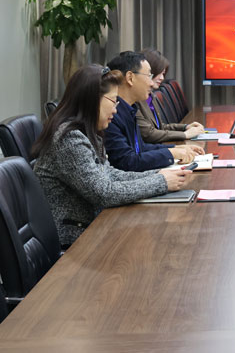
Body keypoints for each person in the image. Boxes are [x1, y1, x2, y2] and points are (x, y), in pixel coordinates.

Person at [31, 65, 192, 247]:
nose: (115, 110)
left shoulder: (87, 132)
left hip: (93, 227)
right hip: (75, 241)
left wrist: (158, 174)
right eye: (113, 101)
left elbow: (110, 174)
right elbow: (104, 193)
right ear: (93, 100)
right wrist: (160, 182)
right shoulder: (69, 138)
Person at [105, 51, 203, 172]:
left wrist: (177, 148)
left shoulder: (129, 109)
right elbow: (127, 162)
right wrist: (171, 153)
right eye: (148, 76)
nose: (151, 83)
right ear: (130, 78)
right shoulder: (111, 115)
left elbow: (141, 148)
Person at [136, 48, 204, 143]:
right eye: (159, 73)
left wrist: (185, 127)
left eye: (163, 74)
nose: (162, 78)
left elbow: (160, 127)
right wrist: (185, 135)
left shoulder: (151, 96)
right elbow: (149, 133)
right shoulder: (135, 99)